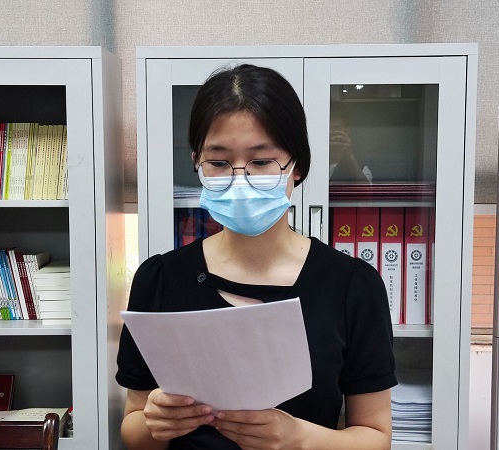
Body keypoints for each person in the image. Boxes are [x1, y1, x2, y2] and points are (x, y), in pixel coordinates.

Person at [116, 64, 396, 450]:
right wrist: (157, 422)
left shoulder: (352, 285)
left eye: (261, 162)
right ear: (197, 162)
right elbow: (133, 427)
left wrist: (298, 438)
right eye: (218, 163)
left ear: (297, 166)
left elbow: (376, 437)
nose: (239, 179)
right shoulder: (160, 279)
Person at [329, 100, 373, 182]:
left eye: (336, 128)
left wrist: (349, 156)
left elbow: (366, 190)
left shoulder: (360, 166)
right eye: (328, 128)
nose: (331, 133)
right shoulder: (313, 160)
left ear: (347, 130)